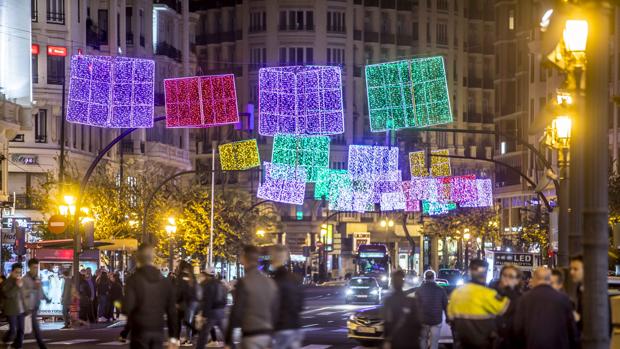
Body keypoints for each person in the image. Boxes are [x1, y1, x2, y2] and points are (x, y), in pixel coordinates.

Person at [123, 243, 179, 349]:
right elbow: (172, 311)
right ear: (152, 258)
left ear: (138, 258)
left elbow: (127, 307)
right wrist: (173, 336)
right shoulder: (164, 281)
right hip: (158, 327)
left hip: (139, 328)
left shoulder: (134, 280)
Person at [224, 245, 278, 349]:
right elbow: (275, 309)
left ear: (244, 258)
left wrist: (228, 340)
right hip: (268, 335)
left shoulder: (243, 282)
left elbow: (236, 311)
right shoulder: (270, 282)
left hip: (251, 335)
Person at [447, 259, 509, 349]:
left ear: (469, 272)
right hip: (485, 344)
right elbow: (507, 312)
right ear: (485, 273)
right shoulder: (489, 294)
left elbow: (450, 318)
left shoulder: (456, 293)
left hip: (462, 344)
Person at [513, 267, 579, 349]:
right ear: (549, 279)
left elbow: (518, 328)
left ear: (534, 279)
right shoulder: (563, 299)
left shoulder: (524, 299)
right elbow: (571, 329)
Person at [271, 245, 304, 349]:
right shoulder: (296, 279)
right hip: (295, 326)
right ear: (285, 258)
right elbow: (300, 306)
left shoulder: (274, 281)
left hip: (280, 327)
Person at [383, 270, 421, 349]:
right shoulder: (411, 301)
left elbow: (387, 324)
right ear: (403, 283)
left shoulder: (388, 301)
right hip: (411, 342)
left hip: (396, 342)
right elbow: (418, 324)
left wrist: (387, 340)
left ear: (392, 283)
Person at [491, 265, 522, 349]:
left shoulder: (522, 300)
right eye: (504, 275)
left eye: (511, 276)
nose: (506, 278)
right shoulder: (491, 295)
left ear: (517, 280)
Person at [196, 268, 228, 349]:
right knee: (226, 335)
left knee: (203, 335)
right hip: (221, 312)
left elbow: (207, 300)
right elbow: (225, 298)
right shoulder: (220, 283)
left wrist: (204, 315)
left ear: (206, 275)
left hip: (211, 312)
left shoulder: (206, 284)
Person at [415, 270, 447, 349]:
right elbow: (445, 305)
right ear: (434, 278)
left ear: (424, 278)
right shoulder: (441, 290)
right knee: (434, 342)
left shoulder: (419, 290)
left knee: (423, 339)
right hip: (436, 320)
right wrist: (448, 318)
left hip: (423, 319)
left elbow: (416, 305)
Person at [22, 258, 49, 349]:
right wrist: (33, 288)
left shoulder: (37, 278)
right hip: (29, 307)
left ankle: (15, 343)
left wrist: (46, 298)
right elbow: (23, 293)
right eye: (34, 267)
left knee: (24, 329)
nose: (35, 269)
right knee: (35, 329)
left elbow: (40, 290)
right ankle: (42, 346)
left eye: (36, 267)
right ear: (29, 267)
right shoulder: (25, 279)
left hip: (36, 306)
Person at [174, 261, 197, 346]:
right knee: (188, 321)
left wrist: (176, 301)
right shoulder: (192, 277)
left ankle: (178, 339)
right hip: (192, 302)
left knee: (178, 321)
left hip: (183, 302)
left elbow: (180, 290)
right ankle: (188, 339)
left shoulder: (181, 276)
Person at [2, 263, 26, 348]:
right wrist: (17, 286)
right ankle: (5, 339)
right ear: (12, 272)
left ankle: (17, 345)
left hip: (21, 310)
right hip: (11, 310)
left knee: (21, 330)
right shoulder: (7, 282)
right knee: (13, 331)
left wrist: (25, 307)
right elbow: (8, 295)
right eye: (16, 272)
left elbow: (22, 295)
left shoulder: (19, 281)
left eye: (20, 272)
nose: (18, 274)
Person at [569, 255, 583, 331]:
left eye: (575, 269)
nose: (571, 272)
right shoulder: (579, 288)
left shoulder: (593, 292)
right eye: (571, 269)